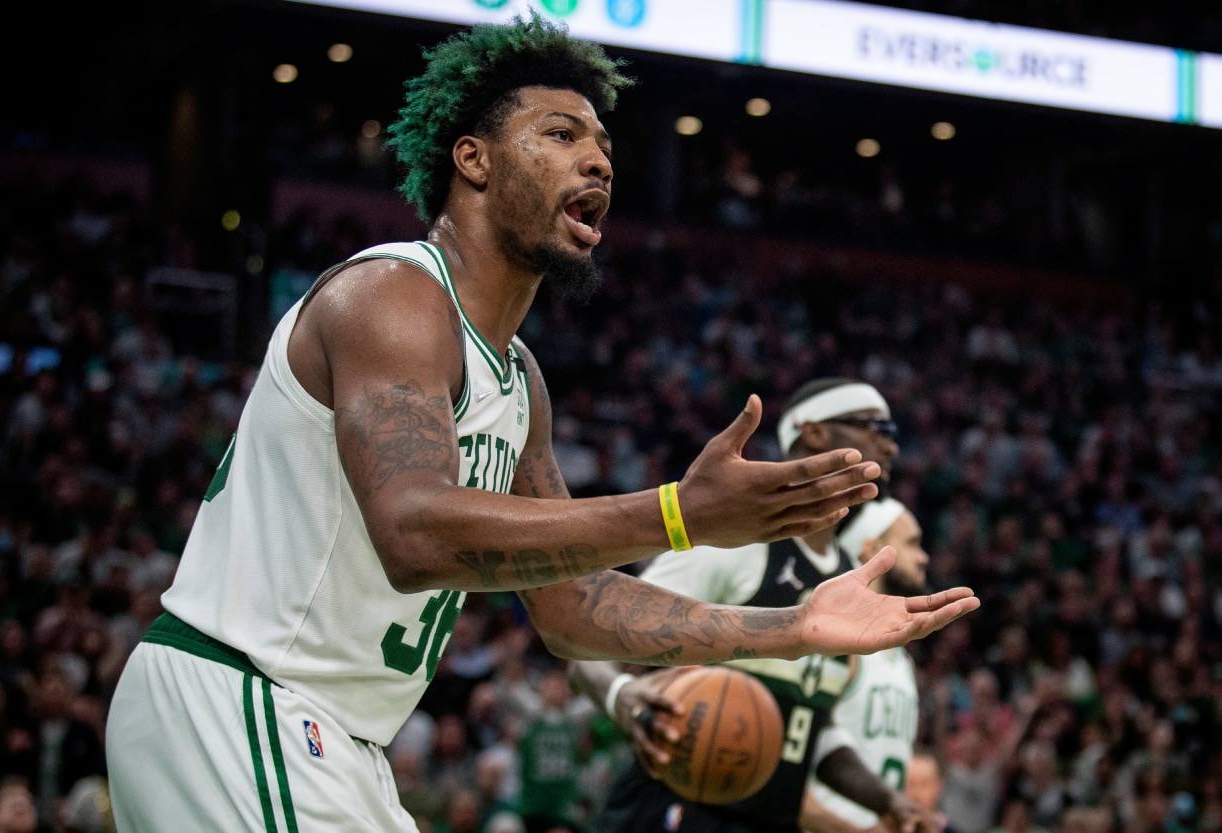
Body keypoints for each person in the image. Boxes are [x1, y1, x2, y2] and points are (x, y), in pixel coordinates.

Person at [104, 15, 977, 832]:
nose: (598, 161)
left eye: (603, 144)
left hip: (337, 735)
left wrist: (791, 628)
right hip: (244, 694)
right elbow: (413, 530)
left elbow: (567, 607)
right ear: (473, 160)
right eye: (562, 135)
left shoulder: (519, 379)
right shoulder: (395, 296)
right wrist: (679, 511)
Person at [571, 379, 936, 833]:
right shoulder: (738, 540)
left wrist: (887, 801)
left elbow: (810, 726)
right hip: (674, 808)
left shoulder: (844, 576)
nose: (891, 446)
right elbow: (592, 640)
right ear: (814, 433)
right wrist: (622, 696)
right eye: (875, 427)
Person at [801, 498, 930, 833]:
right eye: (912, 543)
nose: (923, 557)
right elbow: (784, 765)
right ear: (872, 549)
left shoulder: (902, 658)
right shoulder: (837, 643)